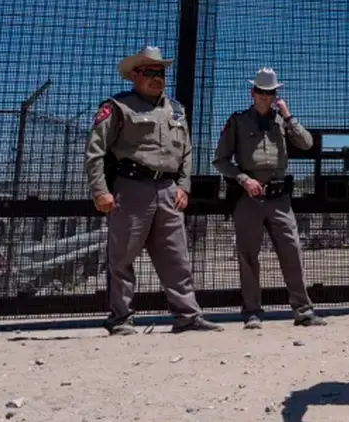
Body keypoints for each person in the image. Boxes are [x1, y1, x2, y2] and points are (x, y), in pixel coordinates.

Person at [84, 46, 222, 336]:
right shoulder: (118, 107)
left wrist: (183, 185)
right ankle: (121, 318)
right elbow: (95, 151)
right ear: (135, 75)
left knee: (177, 257)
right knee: (122, 258)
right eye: (149, 72)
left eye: (160, 72)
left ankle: (187, 316)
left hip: (168, 191)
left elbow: (186, 152)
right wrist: (100, 190)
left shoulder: (177, 110)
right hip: (131, 189)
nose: (156, 77)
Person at [213, 67, 327, 329]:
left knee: (292, 252)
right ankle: (252, 312)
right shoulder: (237, 121)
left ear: (276, 94)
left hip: (279, 198)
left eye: (271, 92)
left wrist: (288, 116)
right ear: (252, 93)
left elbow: (307, 143)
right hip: (248, 197)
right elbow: (220, 160)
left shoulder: (282, 121)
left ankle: (303, 311)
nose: (266, 97)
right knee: (248, 255)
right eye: (262, 92)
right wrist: (243, 179)